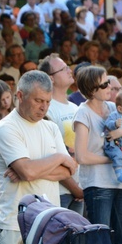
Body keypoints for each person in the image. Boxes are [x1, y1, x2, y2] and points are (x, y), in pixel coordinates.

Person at [0, 71, 76, 244]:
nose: (44, 107)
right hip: (14, 224)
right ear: (19, 96)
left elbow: (69, 169)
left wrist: (33, 169)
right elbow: (28, 171)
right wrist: (57, 158)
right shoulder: (6, 128)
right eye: (38, 100)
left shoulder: (50, 127)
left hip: (47, 222)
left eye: (47, 101)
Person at [74, 66, 122, 244]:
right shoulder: (83, 113)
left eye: (108, 82)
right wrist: (113, 160)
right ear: (92, 89)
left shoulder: (114, 108)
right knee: (101, 243)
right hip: (97, 185)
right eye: (104, 84)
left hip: (120, 184)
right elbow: (81, 156)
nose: (109, 87)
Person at [38, 55, 83, 213]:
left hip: (79, 187)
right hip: (60, 190)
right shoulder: (47, 109)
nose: (69, 71)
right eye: (63, 69)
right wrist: (74, 188)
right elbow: (51, 153)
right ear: (51, 78)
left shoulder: (74, 107)